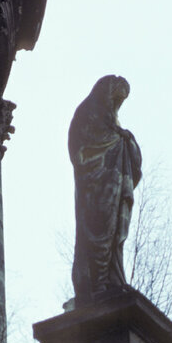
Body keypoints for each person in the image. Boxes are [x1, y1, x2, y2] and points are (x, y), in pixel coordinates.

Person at [69, 75, 142, 304]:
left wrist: (125, 140)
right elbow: (82, 149)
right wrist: (119, 139)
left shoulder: (116, 130)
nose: (117, 106)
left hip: (114, 188)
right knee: (98, 227)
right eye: (116, 99)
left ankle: (112, 278)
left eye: (121, 102)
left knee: (115, 233)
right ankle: (95, 283)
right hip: (95, 188)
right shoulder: (86, 114)